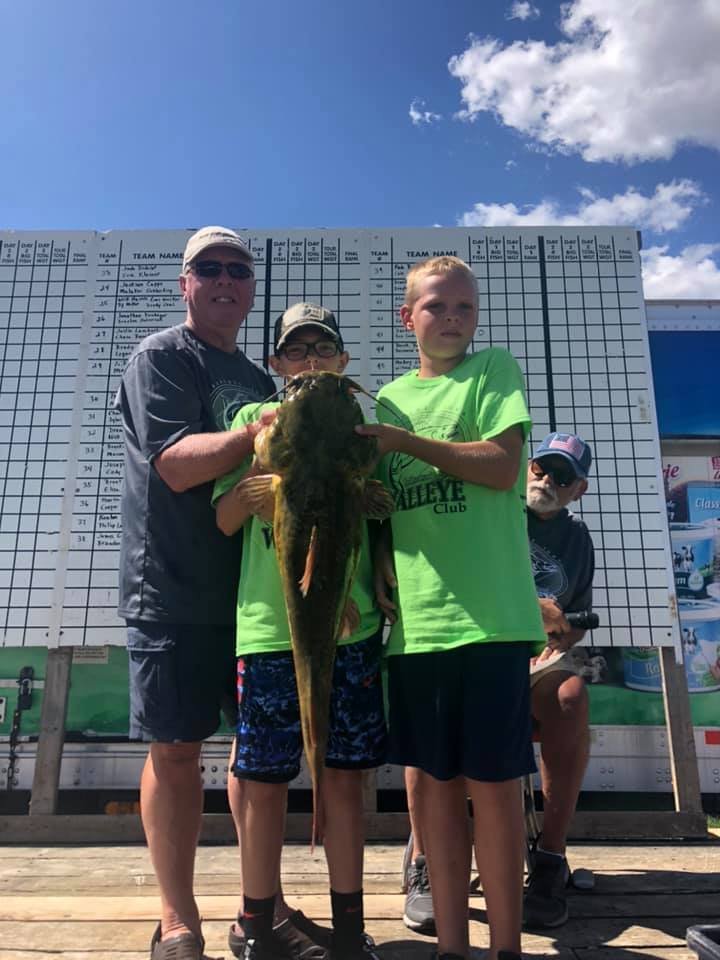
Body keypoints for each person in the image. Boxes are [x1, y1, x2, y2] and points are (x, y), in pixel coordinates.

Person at [358, 256, 546, 960]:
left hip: (492, 621)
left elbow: (501, 465)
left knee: (494, 789)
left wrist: (403, 442)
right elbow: (381, 506)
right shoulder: (387, 400)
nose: (453, 318)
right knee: (433, 791)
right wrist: (380, 558)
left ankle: (506, 947)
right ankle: (451, 948)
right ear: (407, 317)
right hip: (416, 628)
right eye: (437, 306)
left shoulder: (492, 370)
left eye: (465, 306)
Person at [116, 226, 276, 960]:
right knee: (176, 751)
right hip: (171, 589)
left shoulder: (261, 379)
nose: (224, 280)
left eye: (237, 270)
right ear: (184, 284)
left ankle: (258, 909)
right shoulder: (160, 356)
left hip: (251, 597)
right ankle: (178, 920)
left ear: (251, 289)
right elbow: (177, 465)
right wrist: (262, 433)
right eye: (207, 268)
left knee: (256, 755)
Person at [212, 303, 387, 960]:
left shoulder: (360, 423)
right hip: (268, 631)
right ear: (276, 364)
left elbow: (379, 509)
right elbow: (226, 518)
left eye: (323, 348)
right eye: (297, 350)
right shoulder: (250, 422)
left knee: (342, 778)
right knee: (262, 781)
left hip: (351, 625)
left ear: (343, 360)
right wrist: (260, 474)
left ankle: (348, 928)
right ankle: (257, 924)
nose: (311, 359)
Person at [401, 432, 595, 935]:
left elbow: (572, 620)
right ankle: (424, 862)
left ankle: (549, 859)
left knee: (571, 697)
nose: (546, 480)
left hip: (536, 659)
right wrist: (530, 609)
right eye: (540, 467)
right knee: (431, 706)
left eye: (562, 476)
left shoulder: (579, 540)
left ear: (579, 490)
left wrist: (559, 632)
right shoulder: (492, 506)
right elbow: (459, 575)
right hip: (475, 640)